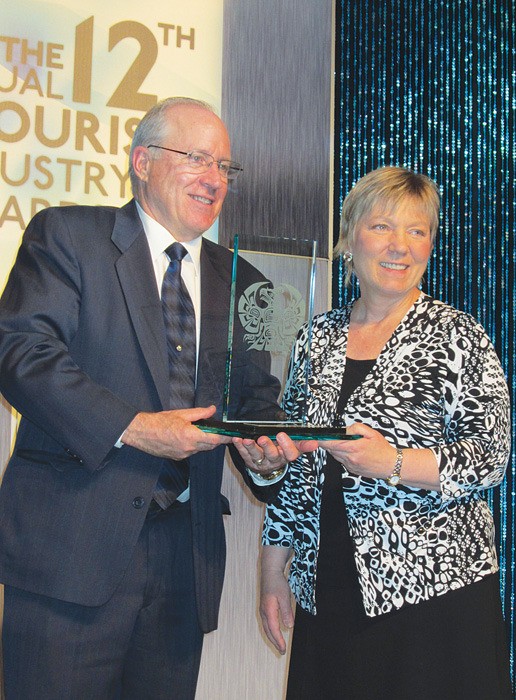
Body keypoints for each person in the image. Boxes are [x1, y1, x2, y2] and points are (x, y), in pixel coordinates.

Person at [0, 97, 311, 699]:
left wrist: (268, 454)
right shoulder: (67, 236)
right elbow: (22, 355)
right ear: (143, 162)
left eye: (224, 165)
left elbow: (255, 402)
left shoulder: (244, 279)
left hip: (182, 566)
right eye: (196, 157)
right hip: (70, 553)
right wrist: (137, 427)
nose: (214, 178)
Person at [252, 167, 513, 699]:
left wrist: (392, 461)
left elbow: (491, 455)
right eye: (383, 227)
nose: (401, 246)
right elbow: (300, 469)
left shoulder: (456, 333)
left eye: (418, 231)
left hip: (435, 592)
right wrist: (273, 568)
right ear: (350, 237)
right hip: (329, 587)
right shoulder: (316, 337)